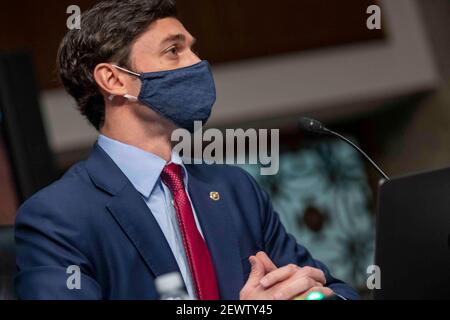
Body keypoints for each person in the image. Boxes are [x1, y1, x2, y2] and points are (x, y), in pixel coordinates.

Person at [14, 0, 358, 300]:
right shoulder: (56, 218)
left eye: (193, 49)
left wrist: (313, 295)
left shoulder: (235, 188)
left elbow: (336, 290)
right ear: (115, 80)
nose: (197, 63)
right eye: (174, 50)